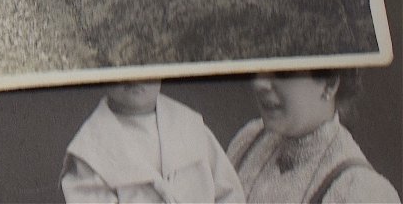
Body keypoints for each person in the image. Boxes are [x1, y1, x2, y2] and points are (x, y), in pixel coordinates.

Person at [227, 70, 400, 203]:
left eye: (282, 71)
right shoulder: (249, 141)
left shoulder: (361, 192)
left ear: (329, 84)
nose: (259, 83)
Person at [61, 81, 245, 203]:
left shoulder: (190, 125)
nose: (135, 76)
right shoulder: (90, 152)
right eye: (120, 63)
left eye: (144, 60)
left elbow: (230, 194)